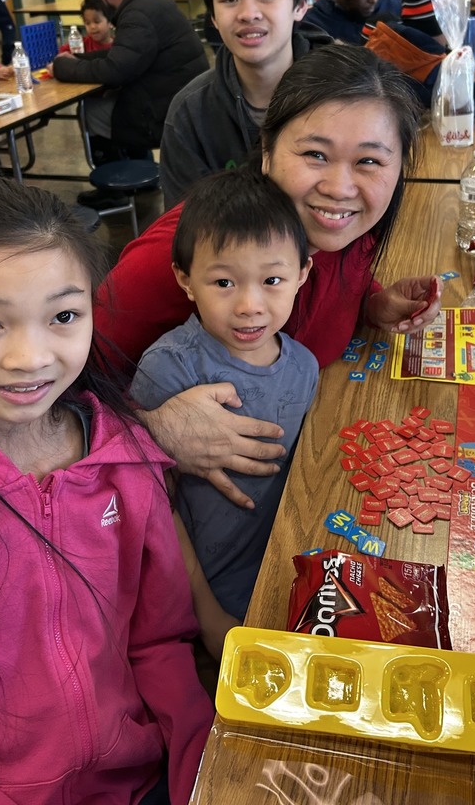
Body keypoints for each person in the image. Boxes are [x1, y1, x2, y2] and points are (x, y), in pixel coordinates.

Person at [0, 177, 212, 805]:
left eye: (63, 316)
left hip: (137, 783)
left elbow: (158, 642)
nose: (30, 357)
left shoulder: (125, 460)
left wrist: (197, 770)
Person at [95, 43, 443, 509]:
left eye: (370, 161)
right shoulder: (173, 263)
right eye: (316, 155)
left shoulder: (349, 232)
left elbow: (328, 289)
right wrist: (150, 431)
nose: (340, 188)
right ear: (267, 152)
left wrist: (372, 303)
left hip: (298, 487)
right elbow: (51, 394)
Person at [130, 168, 318, 634]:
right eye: (224, 283)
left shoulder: (305, 367)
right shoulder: (169, 369)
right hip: (194, 597)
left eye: (272, 279)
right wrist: (207, 619)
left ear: (302, 274)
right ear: (186, 279)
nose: (250, 305)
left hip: (281, 573)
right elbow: (150, 506)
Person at [159, 0, 331, 210]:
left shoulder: (340, 95)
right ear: (212, 16)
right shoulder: (190, 115)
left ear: (300, 4)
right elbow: (183, 228)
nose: (248, 13)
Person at [52, 0, 209, 209]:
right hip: (181, 100)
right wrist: (77, 60)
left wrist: (62, 68)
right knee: (114, 103)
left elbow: (116, 70)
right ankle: (142, 175)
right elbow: (123, 55)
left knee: (92, 110)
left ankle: (112, 188)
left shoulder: (136, 14)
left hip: (165, 112)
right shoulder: (152, 0)